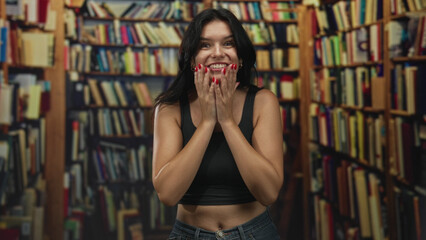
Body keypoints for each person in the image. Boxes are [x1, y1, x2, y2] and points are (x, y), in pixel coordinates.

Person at [152, 8, 284, 240]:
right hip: (188, 234)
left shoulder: (263, 102)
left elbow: (269, 192)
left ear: (240, 56)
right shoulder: (169, 108)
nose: (217, 53)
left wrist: (227, 121)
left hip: (254, 233)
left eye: (228, 43)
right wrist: (207, 122)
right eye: (205, 45)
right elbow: (168, 194)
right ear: (192, 59)